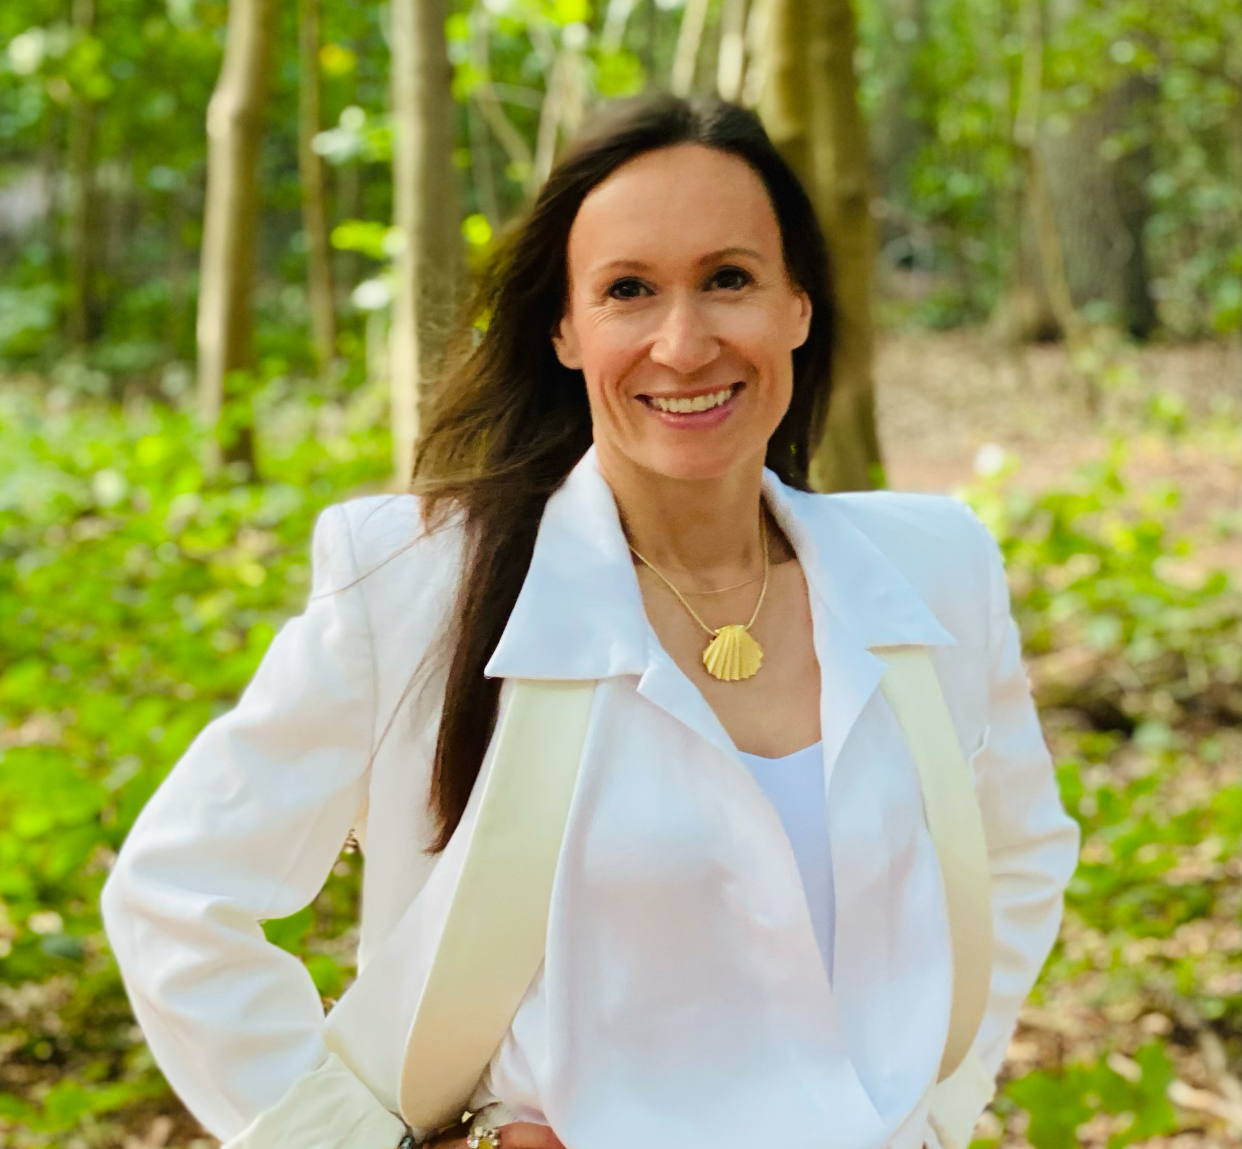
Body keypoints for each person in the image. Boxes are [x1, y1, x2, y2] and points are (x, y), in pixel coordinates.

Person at [101, 94, 1080, 1149]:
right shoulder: (417, 585)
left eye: (729, 279)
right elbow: (177, 895)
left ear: (799, 303)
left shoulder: (934, 567)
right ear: (565, 329)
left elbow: (1022, 855)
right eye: (628, 290)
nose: (684, 343)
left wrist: (940, 1104)